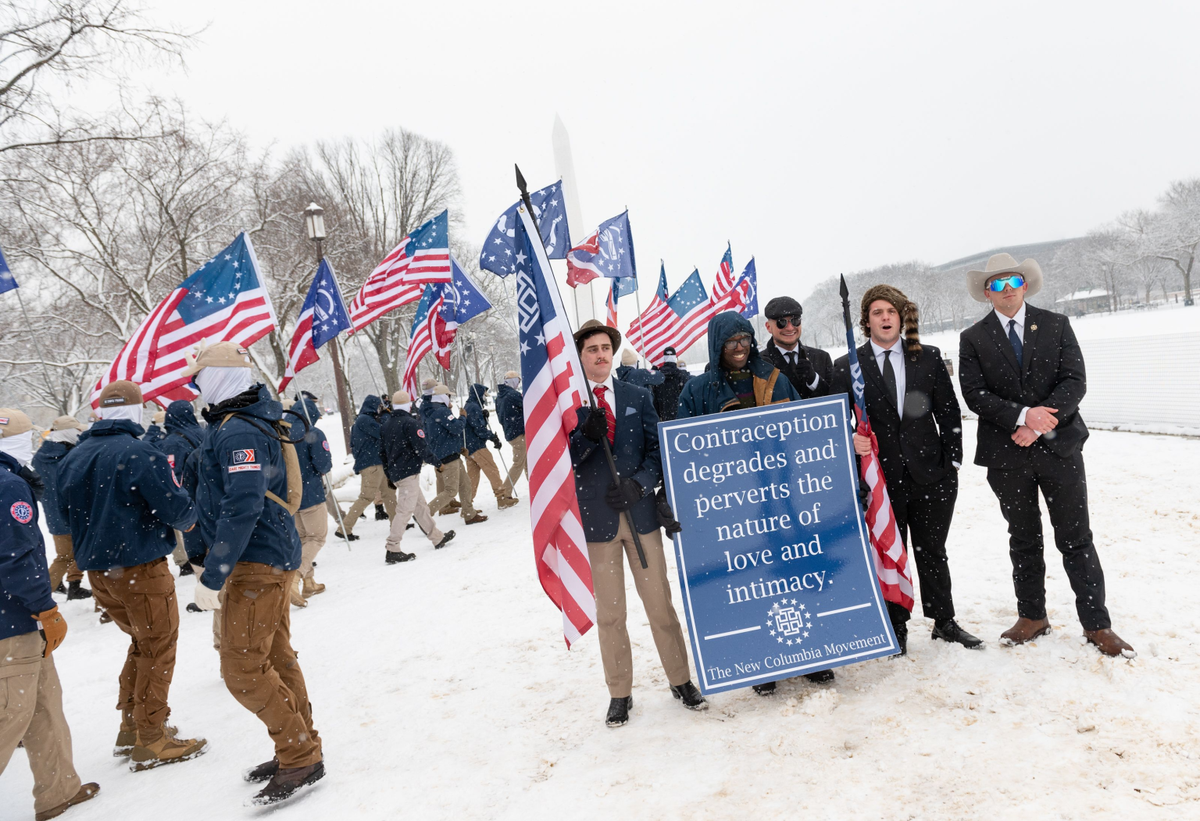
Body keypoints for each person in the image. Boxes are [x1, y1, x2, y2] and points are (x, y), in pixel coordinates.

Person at [959, 253, 1135, 658]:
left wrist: (1037, 422)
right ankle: (1032, 616)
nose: (1007, 290)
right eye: (997, 284)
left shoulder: (1056, 325)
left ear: (1024, 285)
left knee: (1076, 539)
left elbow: (1075, 380)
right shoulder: (973, 338)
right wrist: (1021, 416)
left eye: (1013, 282)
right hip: (1007, 457)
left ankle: (1097, 624)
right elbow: (974, 394)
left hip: (1060, 450)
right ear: (987, 292)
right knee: (1023, 539)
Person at [185, 342, 325, 805]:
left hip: (257, 560)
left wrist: (213, 572)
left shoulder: (238, 431)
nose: (196, 388)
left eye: (200, 378)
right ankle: (300, 746)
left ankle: (299, 755)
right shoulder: (238, 423)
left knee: (242, 666)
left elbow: (242, 505)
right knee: (277, 657)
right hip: (264, 555)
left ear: (220, 379)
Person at [678, 312, 841, 694]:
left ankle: (812, 654)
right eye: (731, 341)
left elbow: (805, 427)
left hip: (784, 493)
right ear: (717, 345)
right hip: (734, 503)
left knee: (795, 570)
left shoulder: (775, 378)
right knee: (752, 580)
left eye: (745, 340)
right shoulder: (698, 390)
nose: (739, 348)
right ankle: (760, 661)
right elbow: (684, 453)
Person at [56, 380, 206, 770]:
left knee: (143, 643)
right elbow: (176, 508)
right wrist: (190, 519)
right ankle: (152, 737)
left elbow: (62, 513)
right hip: (140, 568)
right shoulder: (141, 452)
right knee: (159, 646)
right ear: (136, 412)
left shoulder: (74, 456)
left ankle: (130, 728)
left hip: (100, 572)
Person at [832, 285, 982, 655]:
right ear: (866, 321)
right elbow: (834, 422)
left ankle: (943, 621)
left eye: (891, 312)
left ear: (901, 318)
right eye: (877, 312)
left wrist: (953, 463)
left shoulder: (927, 358)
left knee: (932, 548)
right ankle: (895, 624)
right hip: (881, 480)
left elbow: (948, 413)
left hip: (932, 474)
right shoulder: (848, 365)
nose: (885, 318)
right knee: (890, 551)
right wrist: (851, 439)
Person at [570, 320, 705, 728]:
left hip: (640, 518)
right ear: (580, 355)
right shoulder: (569, 402)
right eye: (591, 349)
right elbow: (559, 467)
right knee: (611, 614)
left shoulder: (636, 394)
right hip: (597, 525)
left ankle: (680, 680)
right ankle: (619, 692)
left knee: (660, 604)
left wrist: (640, 485)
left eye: (605, 348)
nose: (600, 355)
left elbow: (656, 452)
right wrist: (584, 438)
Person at [0, 409, 101, 821]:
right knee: (11, 714)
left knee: (43, 703)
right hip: (13, 620)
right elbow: (17, 557)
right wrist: (45, 607)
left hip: (16, 617)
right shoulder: (8, 486)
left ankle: (59, 789)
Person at [381, 390, 455, 563]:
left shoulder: (386, 425)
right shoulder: (410, 423)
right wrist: (438, 463)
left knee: (420, 507)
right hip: (408, 473)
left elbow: (382, 453)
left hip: (398, 473)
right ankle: (392, 547)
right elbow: (421, 448)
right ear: (408, 405)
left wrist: (389, 474)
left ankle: (437, 537)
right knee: (404, 511)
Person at [31, 416, 92, 601]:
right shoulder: (72, 456)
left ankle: (74, 585)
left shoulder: (39, 457)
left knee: (72, 552)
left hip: (54, 514)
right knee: (66, 555)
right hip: (74, 512)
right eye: (77, 431)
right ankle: (41, 594)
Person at [155, 400, 205, 577]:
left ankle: (208, 596)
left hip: (191, 498)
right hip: (210, 496)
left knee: (196, 549)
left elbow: (173, 475)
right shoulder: (205, 433)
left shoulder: (173, 442)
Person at [425, 385, 488, 525]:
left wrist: (459, 448)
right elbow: (456, 428)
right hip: (448, 457)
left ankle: (469, 514)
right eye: (449, 396)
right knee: (450, 491)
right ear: (443, 397)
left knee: (465, 485)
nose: (450, 399)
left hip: (448, 454)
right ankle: (424, 514)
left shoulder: (430, 411)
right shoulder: (441, 411)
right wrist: (462, 417)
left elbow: (443, 435)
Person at [291, 396, 334, 601]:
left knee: (302, 540)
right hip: (310, 493)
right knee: (317, 537)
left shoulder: (280, 433)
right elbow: (323, 464)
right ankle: (295, 577)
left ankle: (309, 583)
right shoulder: (312, 433)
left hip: (289, 496)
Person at [758, 295, 833, 399]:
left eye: (795, 321)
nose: (790, 328)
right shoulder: (759, 363)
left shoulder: (822, 358)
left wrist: (814, 379)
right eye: (781, 322)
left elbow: (836, 400)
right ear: (768, 327)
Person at [343, 395, 395, 535]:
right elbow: (383, 433)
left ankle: (396, 524)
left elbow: (353, 444)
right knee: (366, 497)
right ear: (373, 406)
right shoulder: (365, 420)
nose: (380, 409)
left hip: (376, 463)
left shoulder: (361, 421)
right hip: (372, 465)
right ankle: (345, 528)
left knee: (389, 494)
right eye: (379, 406)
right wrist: (385, 417)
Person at [462, 383, 514, 509]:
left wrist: (484, 418)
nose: (485, 397)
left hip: (468, 448)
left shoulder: (470, 406)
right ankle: (502, 499)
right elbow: (479, 429)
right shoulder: (473, 407)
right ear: (478, 394)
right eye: (484, 394)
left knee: (472, 478)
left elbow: (476, 424)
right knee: (492, 470)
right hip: (477, 446)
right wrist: (493, 437)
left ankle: (467, 505)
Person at [419, 378, 456, 515]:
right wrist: (445, 410)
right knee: (444, 476)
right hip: (440, 443)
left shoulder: (424, 404)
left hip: (433, 442)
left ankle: (446, 504)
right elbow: (442, 422)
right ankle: (436, 507)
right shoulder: (431, 405)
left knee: (441, 476)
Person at [494, 371, 527, 501]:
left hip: (510, 433)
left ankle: (536, 487)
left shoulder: (500, 396)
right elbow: (527, 407)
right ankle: (504, 494)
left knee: (527, 462)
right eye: (517, 381)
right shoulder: (513, 395)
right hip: (518, 434)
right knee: (519, 464)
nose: (518, 384)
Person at [650, 346, 690, 422]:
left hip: (664, 416)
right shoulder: (681, 376)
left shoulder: (658, 377)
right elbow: (686, 397)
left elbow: (655, 399)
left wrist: (658, 416)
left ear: (664, 358)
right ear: (674, 357)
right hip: (680, 416)